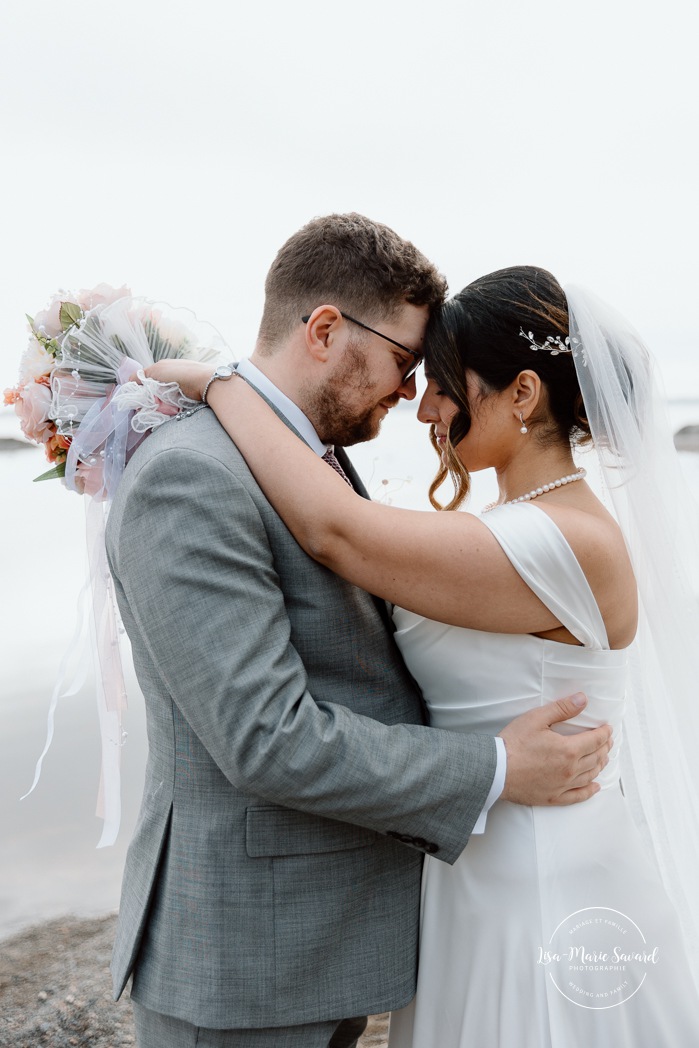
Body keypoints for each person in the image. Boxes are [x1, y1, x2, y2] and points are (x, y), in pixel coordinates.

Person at [148, 264, 699, 1045]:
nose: (425, 407)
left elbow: (334, 530)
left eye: (443, 385)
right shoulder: (519, 524)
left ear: (521, 394)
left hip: (538, 879)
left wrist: (222, 385)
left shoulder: (562, 541)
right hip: (476, 863)